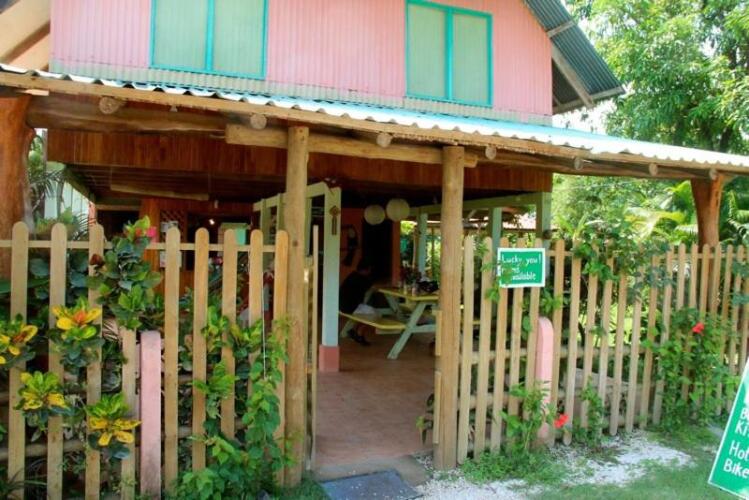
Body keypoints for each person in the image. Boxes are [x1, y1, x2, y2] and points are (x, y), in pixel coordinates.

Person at [340, 259, 376, 346]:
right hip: (350, 307)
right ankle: (359, 333)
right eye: (370, 269)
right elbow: (375, 287)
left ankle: (353, 331)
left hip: (342, 305)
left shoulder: (352, 275)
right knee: (375, 313)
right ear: (367, 269)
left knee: (367, 311)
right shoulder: (361, 278)